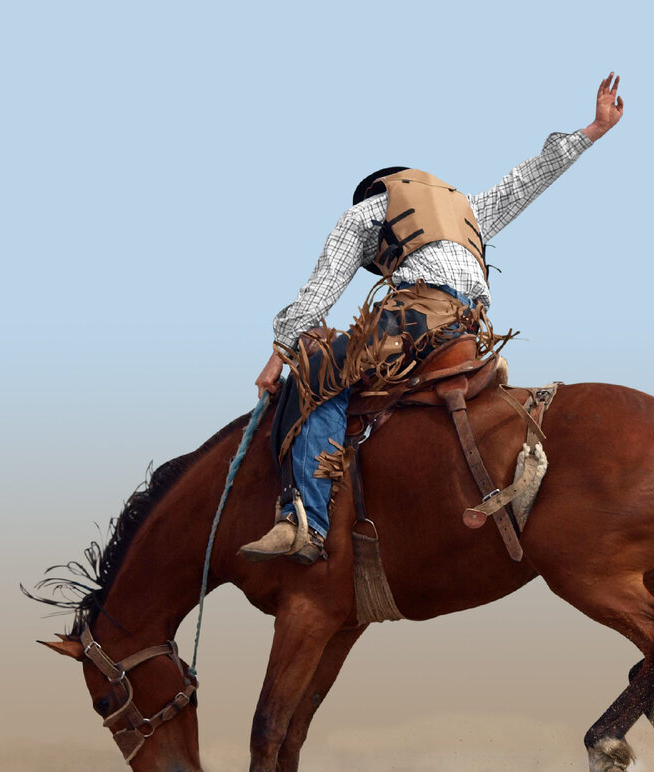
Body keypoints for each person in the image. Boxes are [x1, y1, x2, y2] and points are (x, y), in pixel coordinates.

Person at [241, 73, 625, 564]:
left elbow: (319, 293)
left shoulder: (364, 214)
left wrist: (280, 355)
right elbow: (528, 179)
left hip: (416, 318)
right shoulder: (466, 208)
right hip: (471, 326)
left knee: (319, 370)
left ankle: (305, 524)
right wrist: (593, 128)